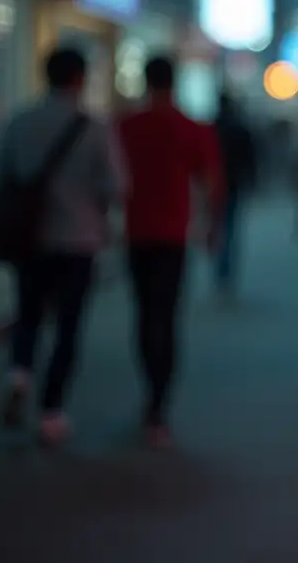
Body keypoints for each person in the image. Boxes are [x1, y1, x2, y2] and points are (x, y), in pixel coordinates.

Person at [0, 47, 126, 445]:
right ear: (80, 79)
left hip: (30, 239)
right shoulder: (94, 127)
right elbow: (116, 186)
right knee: (68, 327)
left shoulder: (20, 121)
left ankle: (19, 373)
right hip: (77, 240)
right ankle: (51, 412)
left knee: (28, 312)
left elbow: (0, 177)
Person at [117, 56, 222, 446]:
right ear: (174, 83)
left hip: (137, 233)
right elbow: (211, 182)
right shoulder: (191, 128)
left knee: (145, 315)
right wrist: (212, 227)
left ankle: (151, 390)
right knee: (168, 314)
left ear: (145, 81)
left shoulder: (127, 126)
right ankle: (159, 405)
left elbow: (111, 178)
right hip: (174, 235)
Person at [213, 92, 257, 297]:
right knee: (230, 230)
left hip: (216, 185)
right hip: (233, 185)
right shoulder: (239, 128)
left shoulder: (213, 127)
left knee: (220, 228)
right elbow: (250, 158)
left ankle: (221, 270)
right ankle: (225, 272)